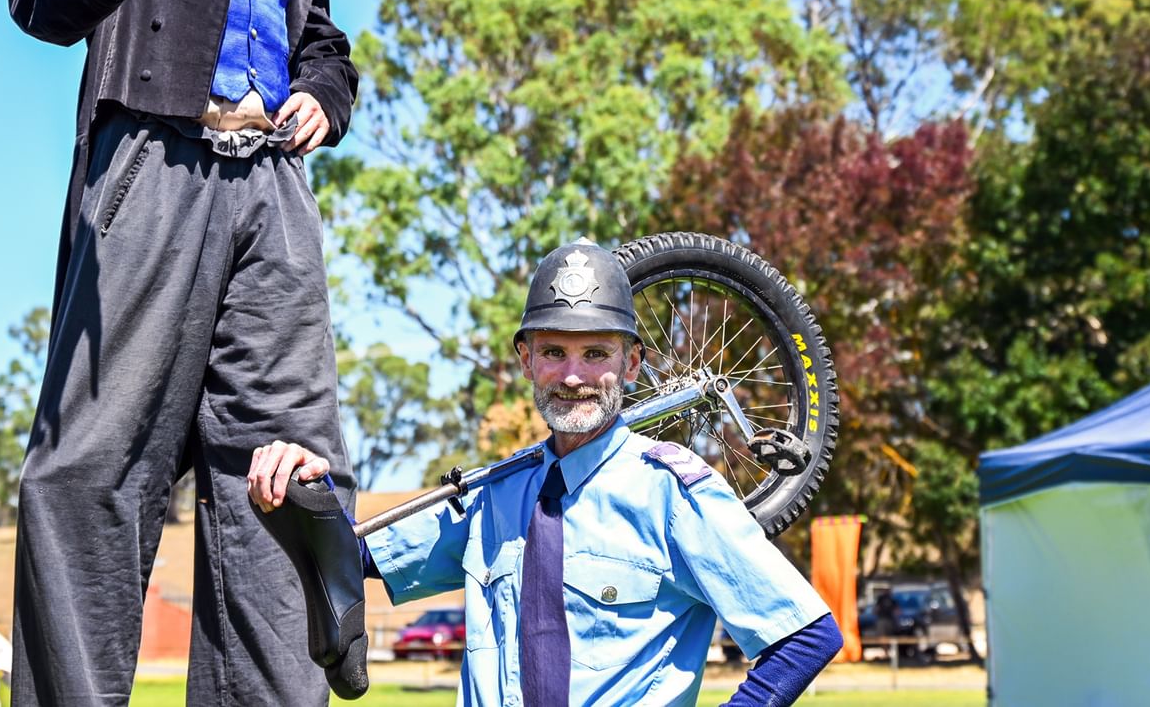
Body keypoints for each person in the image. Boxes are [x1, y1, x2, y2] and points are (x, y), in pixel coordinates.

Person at [6, 0, 358, 706]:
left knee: (285, 466)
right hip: (154, 169)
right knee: (94, 464)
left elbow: (325, 44)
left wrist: (324, 95)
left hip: (273, 192)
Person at [250, 240, 844, 706]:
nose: (573, 376)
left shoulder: (672, 493)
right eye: (554, 352)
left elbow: (806, 635)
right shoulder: (494, 494)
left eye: (596, 353)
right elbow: (357, 555)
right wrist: (303, 483)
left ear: (632, 363)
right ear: (526, 360)